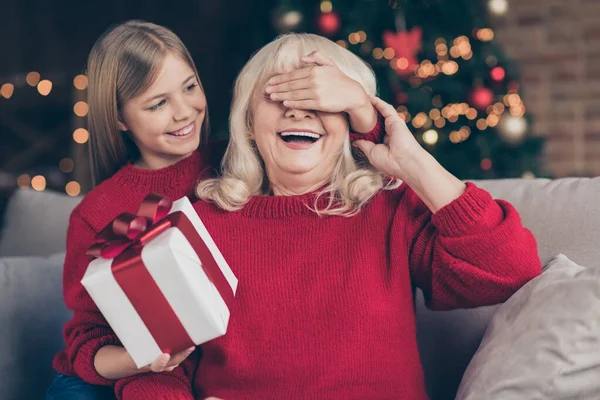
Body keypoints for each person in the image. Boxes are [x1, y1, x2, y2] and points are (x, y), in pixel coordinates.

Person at [119, 32, 541, 399]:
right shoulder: (198, 225)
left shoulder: (391, 211)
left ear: (352, 124)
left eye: (322, 99)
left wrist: (410, 160)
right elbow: (156, 367)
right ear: (248, 122)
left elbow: (510, 270)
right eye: (277, 94)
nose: (298, 110)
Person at [47, 23, 383, 400]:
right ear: (120, 119)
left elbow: (357, 154)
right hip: (99, 382)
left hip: (192, 369)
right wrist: (146, 360)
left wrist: (358, 105)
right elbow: (88, 338)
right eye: (158, 104)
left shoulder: (237, 161)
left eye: (190, 87)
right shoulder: (98, 213)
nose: (184, 112)